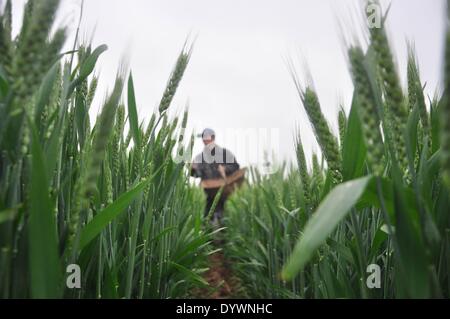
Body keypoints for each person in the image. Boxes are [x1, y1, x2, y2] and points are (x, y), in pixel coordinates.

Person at [190, 128, 240, 224]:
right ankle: (209, 234)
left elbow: (235, 167)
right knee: (207, 218)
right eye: (203, 138)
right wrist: (193, 169)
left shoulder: (225, 153)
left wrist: (225, 169)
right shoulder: (200, 157)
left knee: (222, 217)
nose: (204, 141)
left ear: (213, 138)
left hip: (223, 192)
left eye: (206, 138)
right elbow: (197, 174)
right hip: (209, 193)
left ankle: (221, 234)